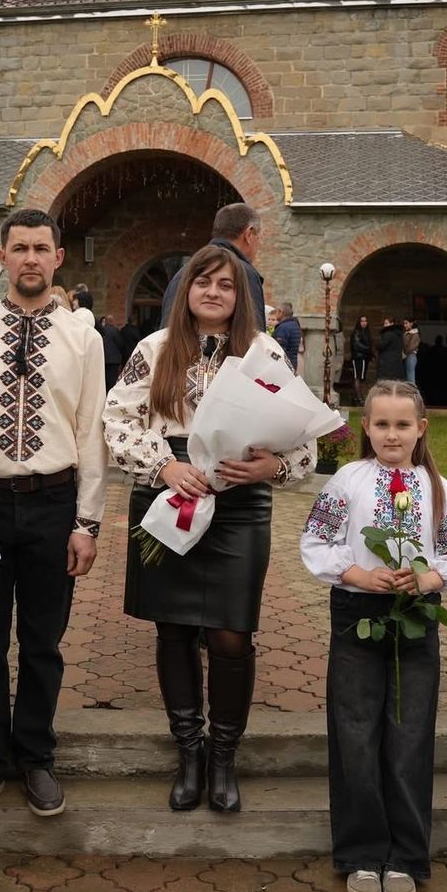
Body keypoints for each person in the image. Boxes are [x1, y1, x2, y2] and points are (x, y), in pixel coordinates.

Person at [104, 245, 314, 814]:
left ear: (240, 296)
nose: (214, 292)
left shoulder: (265, 352)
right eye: (204, 282)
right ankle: (189, 753)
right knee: (173, 629)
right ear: (186, 290)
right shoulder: (154, 349)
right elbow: (117, 421)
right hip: (169, 491)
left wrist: (273, 467)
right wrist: (164, 466)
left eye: (226, 284)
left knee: (230, 634)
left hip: (239, 502)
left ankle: (224, 755)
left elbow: (305, 438)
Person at [0, 208, 106, 821]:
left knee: (42, 641)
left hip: (54, 501)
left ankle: (35, 754)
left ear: (58, 257)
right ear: (2, 256)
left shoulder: (84, 339)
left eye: (41, 248)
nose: (30, 258)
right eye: (20, 248)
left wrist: (87, 523)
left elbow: (91, 432)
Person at [300, 380, 447, 892]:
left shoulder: (437, 488)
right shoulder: (347, 481)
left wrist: (427, 578)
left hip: (415, 615)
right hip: (357, 613)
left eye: (403, 425)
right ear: (366, 427)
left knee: (409, 733)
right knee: (355, 733)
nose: (392, 434)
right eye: (382, 424)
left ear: (421, 428)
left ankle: (406, 856)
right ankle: (361, 853)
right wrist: (357, 573)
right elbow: (316, 540)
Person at [159, 203, 266, 323]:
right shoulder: (243, 273)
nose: (212, 293)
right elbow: (252, 330)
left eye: (224, 286)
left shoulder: (182, 272)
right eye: (203, 283)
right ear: (249, 234)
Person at [272, 302, 303, 374]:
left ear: (281, 312)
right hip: (293, 363)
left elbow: (279, 349)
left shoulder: (283, 328)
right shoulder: (294, 325)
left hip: (284, 366)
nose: (276, 314)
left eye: (276, 312)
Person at [349, 316, 373, 403]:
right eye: (362, 321)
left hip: (363, 357)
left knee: (360, 377)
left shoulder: (366, 332)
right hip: (358, 357)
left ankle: (356, 397)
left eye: (365, 321)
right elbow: (357, 345)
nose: (364, 323)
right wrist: (368, 349)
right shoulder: (357, 332)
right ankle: (359, 397)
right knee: (358, 377)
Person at [99, 315, 125, 391]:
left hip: (103, 358)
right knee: (112, 379)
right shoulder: (115, 330)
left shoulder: (101, 330)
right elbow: (120, 343)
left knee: (104, 378)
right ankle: (110, 393)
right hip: (113, 360)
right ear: (111, 321)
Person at [375, 318, 404, 383]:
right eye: (384, 323)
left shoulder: (388, 334)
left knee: (385, 381)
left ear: (392, 323)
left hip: (387, 361)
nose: (384, 325)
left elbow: (381, 345)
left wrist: (376, 345)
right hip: (396, 360)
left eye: (386, 323)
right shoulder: (398, 334)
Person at [402, 318, 421, 387]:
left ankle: (412, 392)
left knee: (410, 378)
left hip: (411, 356)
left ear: (411, 323)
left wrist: (404, 354)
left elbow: (411, 347)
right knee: (406, 378)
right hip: (405, 356)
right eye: (404, 323)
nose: (405, 325)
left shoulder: (415, 334)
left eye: (406, 323)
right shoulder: (405, 333)